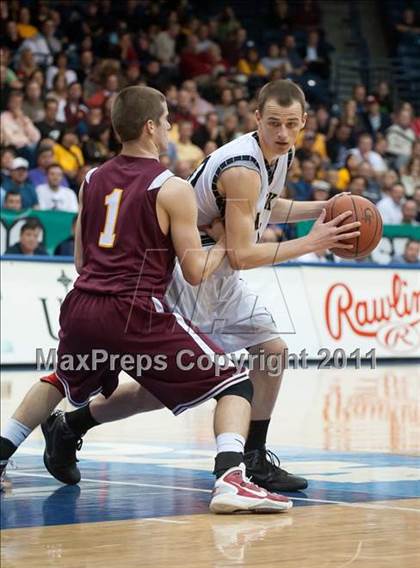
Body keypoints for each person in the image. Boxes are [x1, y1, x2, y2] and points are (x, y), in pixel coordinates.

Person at [37, 80, 360, 494]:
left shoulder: (279, 153)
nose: (282, 133)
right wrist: (314, 242)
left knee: (272, 353)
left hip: (221, 272)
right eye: (274, 123)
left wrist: (327, 206)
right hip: (193, 274)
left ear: (304, 123)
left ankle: (253, 458)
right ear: (256, 119)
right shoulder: (242, 167)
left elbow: (265, 207)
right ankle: (71, 425)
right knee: (167, 386)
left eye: (291, 124)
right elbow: (243, 251)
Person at [0, 85, 295, 514]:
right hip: (135, 310)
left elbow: (82, 259)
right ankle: (231, 480)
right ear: (150, 126)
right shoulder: (170, 187)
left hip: (83, 303)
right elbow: (194, 271)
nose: (171, 127)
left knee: (61, 381)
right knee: (236, 384)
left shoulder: (91, 179)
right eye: (167, 119)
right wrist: (227, 245)